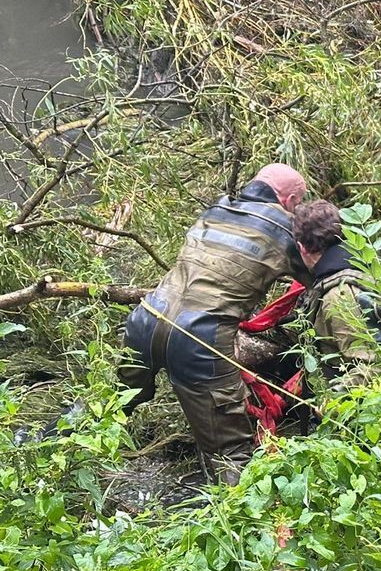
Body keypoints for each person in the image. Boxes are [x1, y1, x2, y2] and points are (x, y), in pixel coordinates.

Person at [121, 163, 308, 484]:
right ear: (289, 199)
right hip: (201, 341)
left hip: (145, 320)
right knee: (229, 452)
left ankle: (58, 459)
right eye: (299, 202)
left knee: (113, 406)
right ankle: (237, 525)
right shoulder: (285, 229)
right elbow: (317, 276)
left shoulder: (214, 210)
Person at [291, 199, 381, 391]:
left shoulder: (339, 295)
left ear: (301, 248)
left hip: (355, 412)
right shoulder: (370, 266)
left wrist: (333, 403)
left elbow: (373, 366)